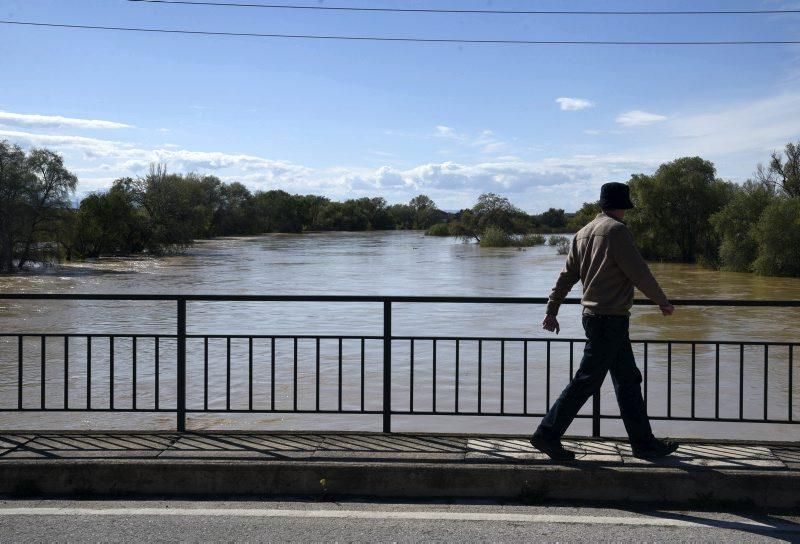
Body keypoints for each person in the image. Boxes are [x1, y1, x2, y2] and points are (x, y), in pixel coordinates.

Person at [530, 182, 679, 461]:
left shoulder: (582, 233)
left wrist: (552, 309)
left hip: (595, 318)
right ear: (623, 206)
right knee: (586, 382)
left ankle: (644, 444)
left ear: (602, 204)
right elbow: (639, 272)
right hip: (610, 319)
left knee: (628, 381)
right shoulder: (617, 231)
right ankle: (546, 434)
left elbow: (566, 277)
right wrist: (662, 300)